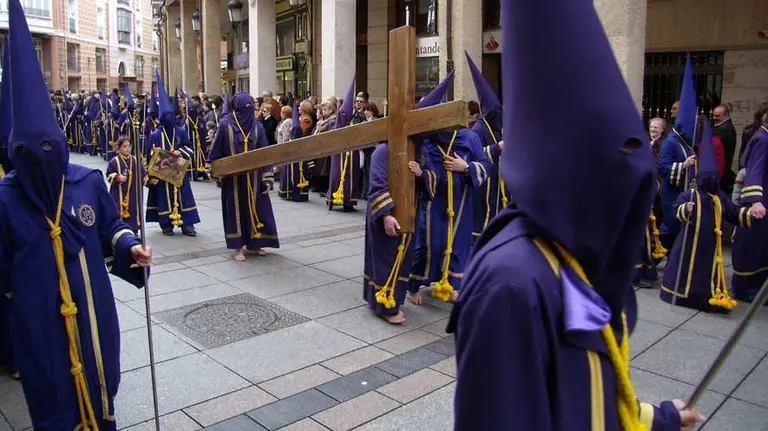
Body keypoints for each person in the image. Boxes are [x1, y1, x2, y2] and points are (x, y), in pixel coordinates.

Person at [449, 0, 705, 429]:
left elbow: (582, 395)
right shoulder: (512, 285)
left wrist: (655, 420)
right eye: (616, 155)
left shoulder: (569, 255)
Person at [0, 2, 152, 427]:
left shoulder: (85, 182)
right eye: (27, 153)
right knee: (50, 393)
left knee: (101, 377)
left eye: (48, 148)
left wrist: (131, 246)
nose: (39, 160)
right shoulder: (5, 199)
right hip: (36, 318)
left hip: (92, 306)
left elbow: (111, 227)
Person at [408, 71, 494, 304]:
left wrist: (465, 166)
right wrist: (420, 173)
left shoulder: (469, 138)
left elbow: (486, 165)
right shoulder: (427, 139)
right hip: (433, 201)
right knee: (430, 245)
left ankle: (451, 284)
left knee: (458, 244)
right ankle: (414, 285)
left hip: (461, 201)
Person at [660, 121, 756, 312]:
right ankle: (680, 294)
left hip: (711, 246)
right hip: (689, 245)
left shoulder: (719, 197)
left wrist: (750, 213)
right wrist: (685, 210)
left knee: (705, 272)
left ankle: (704, 296)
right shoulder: (690, 194)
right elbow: (676, 209)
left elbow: (734, 213)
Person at [363, 143, 436, 324]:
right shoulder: (383, 151)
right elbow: (377, 186)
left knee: (402, 260)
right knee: (385, 259)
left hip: (410, 214)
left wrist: (422, 174)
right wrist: (386, 216)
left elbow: (435, 177)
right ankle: (385, 307)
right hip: (385, 215)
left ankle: (388, 299)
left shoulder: (422, 151)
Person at [209, 92, 280, 261]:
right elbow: (216, 151)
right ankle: (238, 247)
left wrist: (267, 178)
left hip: (255, 178)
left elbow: (264, 154)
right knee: (236, 211)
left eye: (252, 107)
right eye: (247, 107)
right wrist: (214, 170)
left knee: (258, 209)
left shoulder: (257, 126)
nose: (251, 111)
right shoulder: (225, 125)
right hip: (233, 180)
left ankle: (257, 243)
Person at [145, 72, 200, 237]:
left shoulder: (181, 131)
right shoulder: (155, 135)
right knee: (163, 197)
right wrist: (150, 175)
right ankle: (166, 224)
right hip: (162, 174)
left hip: (179, 171)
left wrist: (179, 152)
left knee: (184, 196)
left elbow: (190, 148)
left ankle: (187, 224)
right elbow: (148, 155)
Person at [465, 51, 508, 242]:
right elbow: (472, 157)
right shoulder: (477, 131)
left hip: (499, 187)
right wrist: (497, 148)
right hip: (483, 191)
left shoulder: (497, 128)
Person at [658, 55, 697, 249]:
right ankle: (652, 261)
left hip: (684, 193)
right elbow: (663, 167)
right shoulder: (670, 142)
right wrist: (684, 165)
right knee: (669, 227)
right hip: (672, 194)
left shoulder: (686, 142)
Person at [731, 108, 768, 302]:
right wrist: (756, 201)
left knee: (762, 247)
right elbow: (754, 170)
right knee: (752, 246)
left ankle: (758, 286)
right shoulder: (762, 139)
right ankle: (744, 287)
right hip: (759, 202)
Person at [327, 79, 361, 212]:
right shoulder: (340, 118)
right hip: (340, 152)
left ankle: (349, 200)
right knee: (337, 175)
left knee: (351, 176)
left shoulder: (358, 116)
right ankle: (333, 198)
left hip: (352, 152)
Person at [106, 136, 150, 233]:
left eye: (129, 146)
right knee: (118, 211)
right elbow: (109, 175)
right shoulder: (114, 161)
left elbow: (143, 174)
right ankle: (120, 230)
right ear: (119, 148)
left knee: (134, 210)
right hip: (119, 193)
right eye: (124, 146)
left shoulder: (135, 160)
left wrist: (150, 180)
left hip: (134, 193)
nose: (127, 149)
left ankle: (134, 229)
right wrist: (117, 177)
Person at [278, 104, 312, 202]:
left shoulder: (306, 119)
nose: (299, 108)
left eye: (301, 106)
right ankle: (288, 192)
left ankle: (299, 193)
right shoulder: (300, 117)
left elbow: (301, 131)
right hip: (295, 146)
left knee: (298, 170)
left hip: (301, 146)